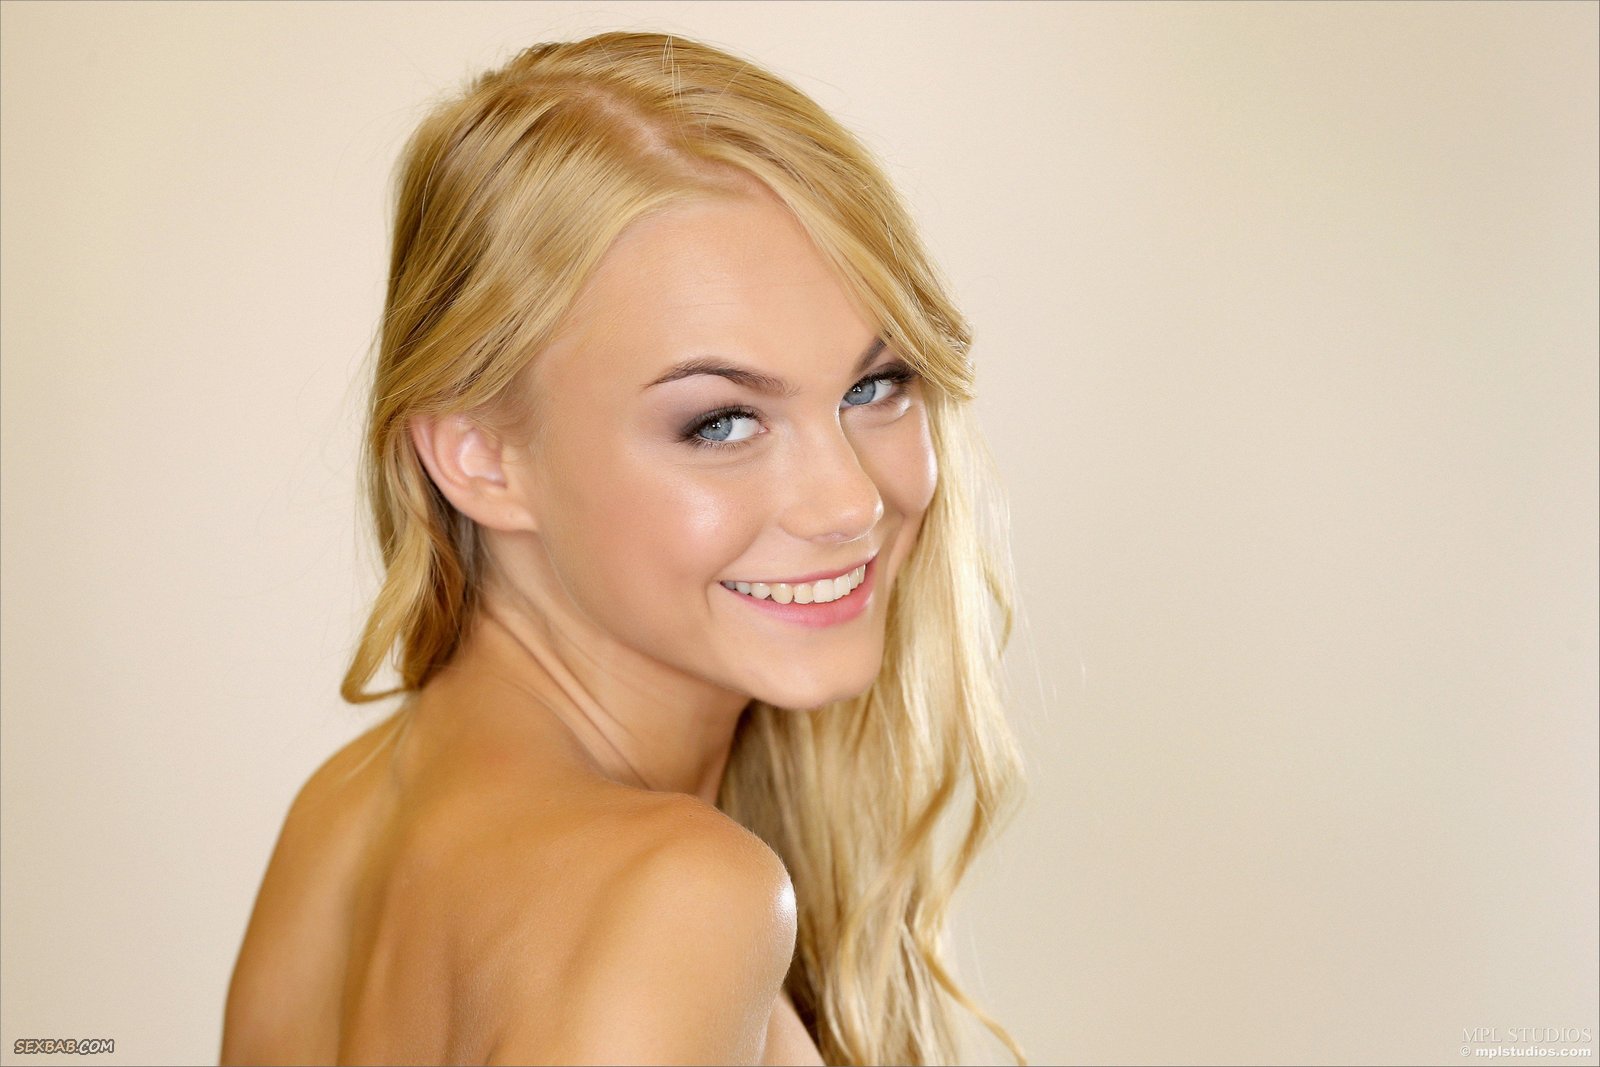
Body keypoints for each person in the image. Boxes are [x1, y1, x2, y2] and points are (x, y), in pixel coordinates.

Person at [221, 31, 1025, 1067]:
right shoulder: (683, 895)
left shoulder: (342, 814)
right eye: (721, 421)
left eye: (875, 385)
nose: (849, 501)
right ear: (479, 456)